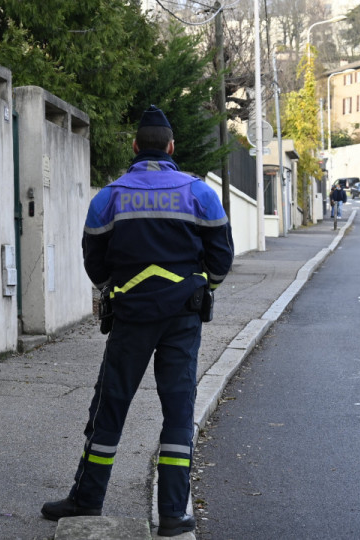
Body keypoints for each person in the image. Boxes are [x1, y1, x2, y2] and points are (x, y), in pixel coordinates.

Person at [41, 106, 234, 536]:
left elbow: (94, 261)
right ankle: (171, 514)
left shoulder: (109, 196)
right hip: (182, 317)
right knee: (178, 411)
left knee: (110, 406)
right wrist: (201, 289)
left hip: (130, 316)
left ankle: (87, 499)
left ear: (134, 147)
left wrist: (116, 288)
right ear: (170, 147)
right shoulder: (199, 193)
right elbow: (222, 258)